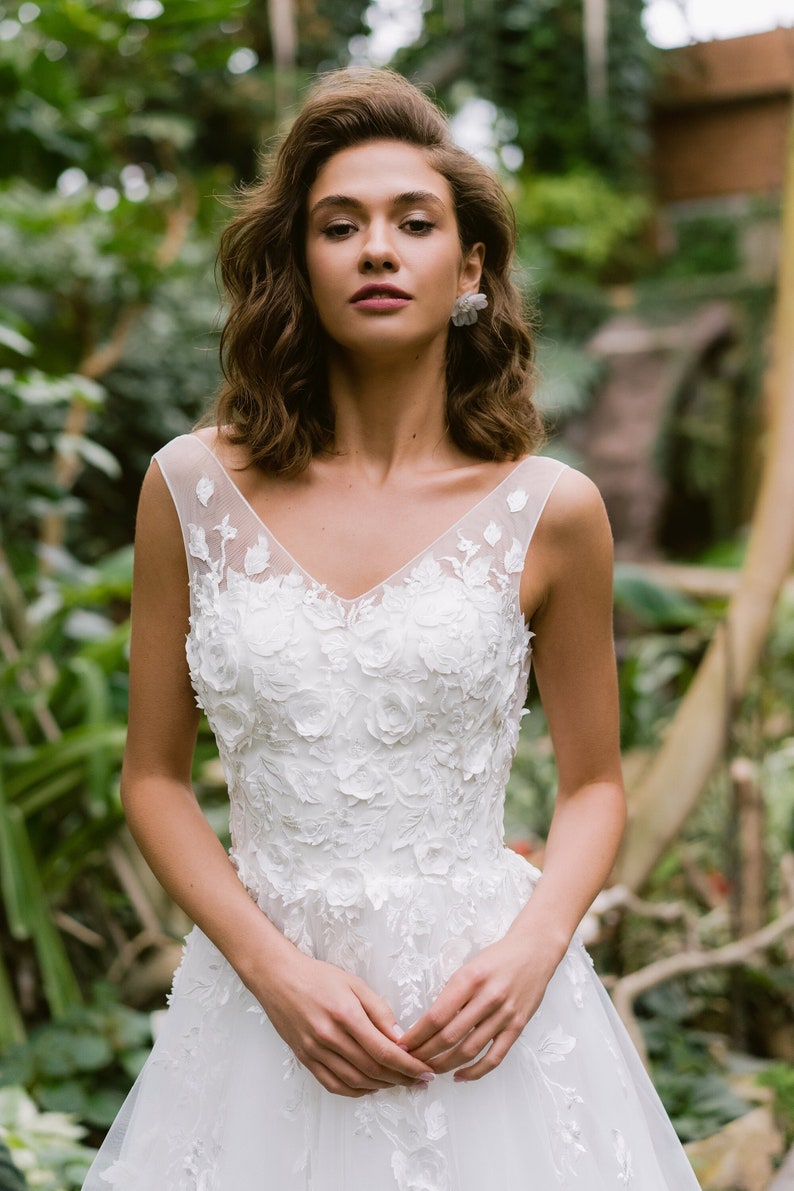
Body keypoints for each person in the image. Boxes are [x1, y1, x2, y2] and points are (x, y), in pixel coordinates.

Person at [82, 68, 701, 1191]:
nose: (376, 249)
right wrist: (272, 971)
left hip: (481, 1025)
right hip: (261, 1025)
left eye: (413, 223)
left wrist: (531, 948)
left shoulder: (551, 512)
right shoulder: (186, 490)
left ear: (467, 269)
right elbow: (154, 780)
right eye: (338, 225)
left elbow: (594, 783)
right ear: (298, 262)